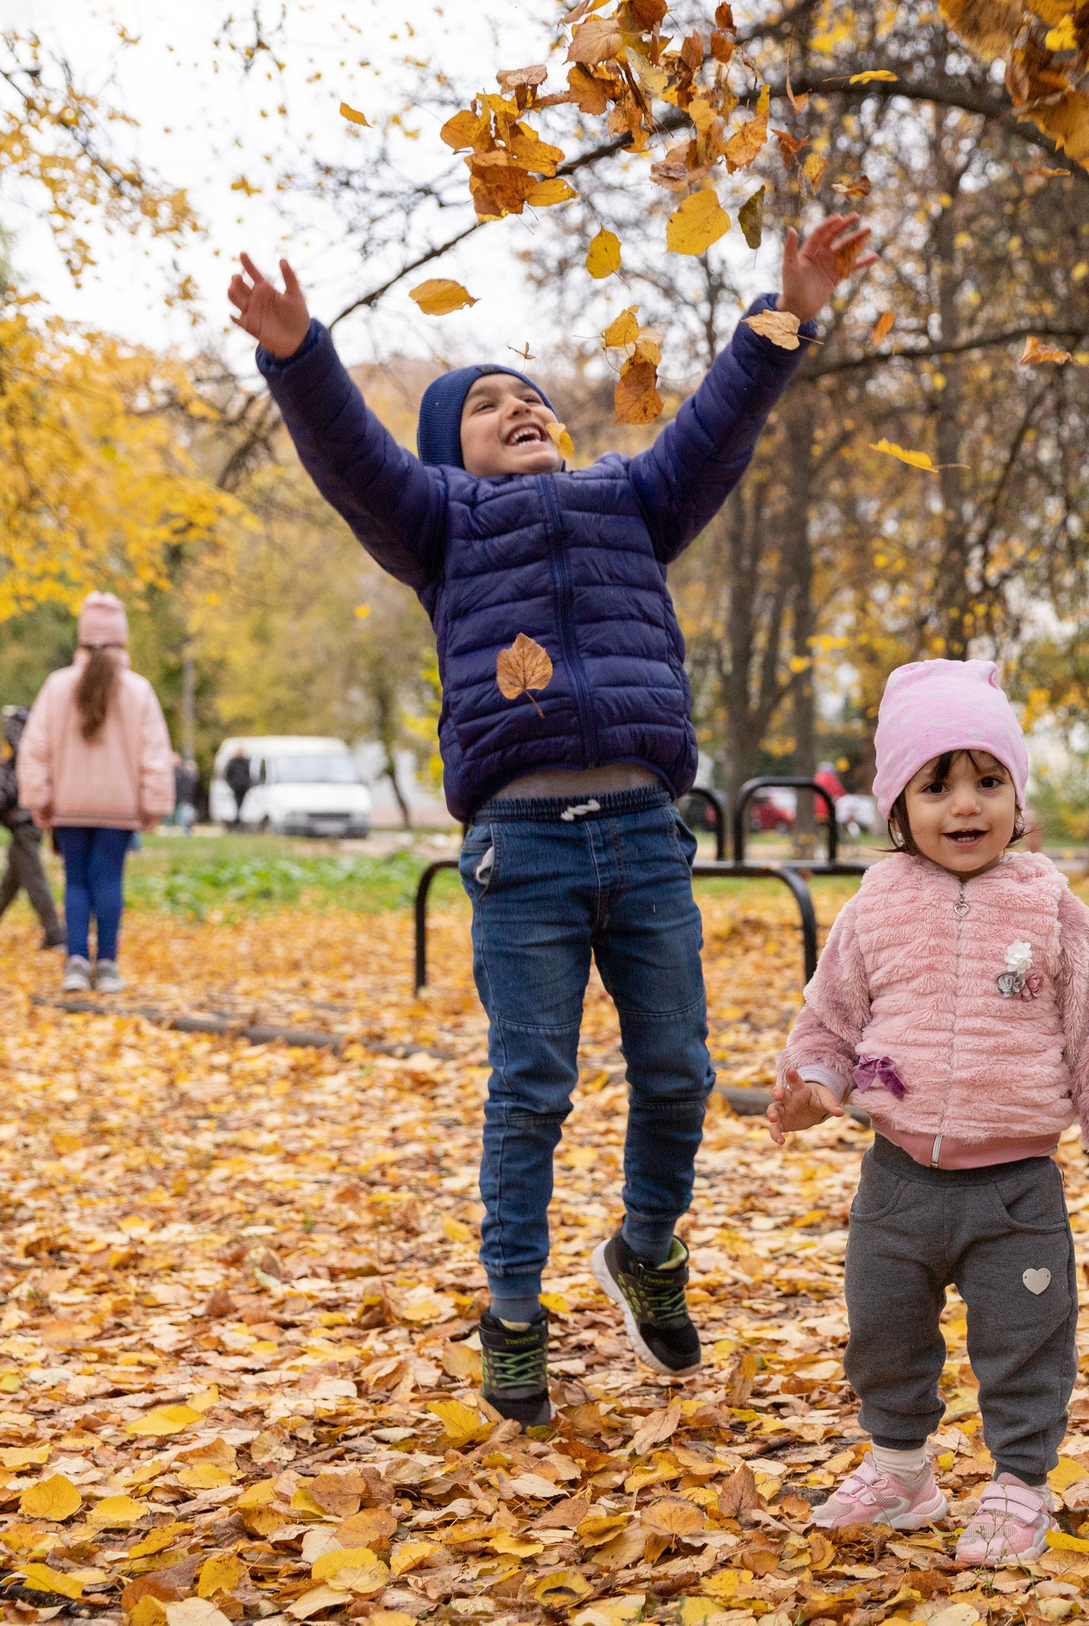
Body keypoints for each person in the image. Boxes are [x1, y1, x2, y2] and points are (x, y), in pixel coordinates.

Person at [227, 215, 877, 1425]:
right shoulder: (440, 527)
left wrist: (787, 311)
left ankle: (646, 1247)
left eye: (530, 395)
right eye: (487, 405)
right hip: (519, 849)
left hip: (642, 833)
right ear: (450, 453)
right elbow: (350, 456)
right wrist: (298, 353)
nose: (519, 406)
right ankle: (514, 1310)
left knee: (678, 1070)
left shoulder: (632, 499)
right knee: (531, 1085)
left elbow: (720, 420)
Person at [765, 660, 1089, 1565]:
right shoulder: (876, 906)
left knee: (1025, 1341)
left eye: (989, 780)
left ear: (1018, 799)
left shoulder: (1050, 905)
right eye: (937, 782)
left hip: (1016, 1190)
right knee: (883, 1330)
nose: (965, 804)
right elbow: (830, 1021)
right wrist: (811, 1086)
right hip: (897, 1181)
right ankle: (904, 1472)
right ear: (898, 807)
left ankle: (1020, 1482)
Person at [16, 592, 176, 994]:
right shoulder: (138, 690)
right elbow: (155, 752)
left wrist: (40, 798)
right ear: (121, 638)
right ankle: (107, 965)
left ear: (82, 638)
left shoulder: (57, 687)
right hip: (119, 808)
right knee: (108, 883)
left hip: (69, 804)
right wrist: (153, 803)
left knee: (76, 883)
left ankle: (75, 962)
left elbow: (34, 748)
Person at [0, 703, 66, 949]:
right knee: (10, 883)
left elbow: (3, 798)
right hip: (27, 826)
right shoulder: (36, 758)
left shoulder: (19, 762)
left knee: (35, 882)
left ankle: (55, 933)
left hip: (24, 829)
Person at [223, 750, 256, 829]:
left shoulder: (246, 762)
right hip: (236, 788)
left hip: (244, 788)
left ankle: (239, 822)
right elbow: (227, 776)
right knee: (236, 806)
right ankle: (236, 823)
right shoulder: (232, 763)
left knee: (242, 806)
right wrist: (232, 785)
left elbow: (249, 774)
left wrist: (248, 784)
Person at [173, 756, 202, 834]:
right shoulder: (184, 777)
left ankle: (189, 830)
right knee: (185, 816)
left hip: (192, 800)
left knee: (191, 816)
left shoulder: (195, 778)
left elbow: (198, 791)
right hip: (186, 799)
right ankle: (185, 830)